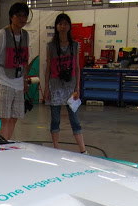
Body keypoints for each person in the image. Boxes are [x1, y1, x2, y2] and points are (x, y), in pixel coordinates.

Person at [0, 2, 30, 140]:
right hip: (3, 82)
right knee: (3, 118)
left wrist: (25, 80)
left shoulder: (25, 35)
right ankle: (1, 146)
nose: (22, 19)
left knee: (14, 117)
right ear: (11, 17)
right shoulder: (2, 35)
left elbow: (25, 60)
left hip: (18, 83)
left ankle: (6, 142)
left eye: (24, 16)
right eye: (19, 15)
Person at [44, 13, 86, 154]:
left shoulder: (74, 45)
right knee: (55, 119)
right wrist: (46, 89)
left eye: (65, 24)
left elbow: (77, 67)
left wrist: (77, 87)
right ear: (56, 26)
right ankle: (56, 148)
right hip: (55, 87)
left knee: (75, 119)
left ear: (69, 26)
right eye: (60, 24)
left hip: (70, 88)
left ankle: (83, 150)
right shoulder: (50, 46)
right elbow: (48, 67)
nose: (63, 26)